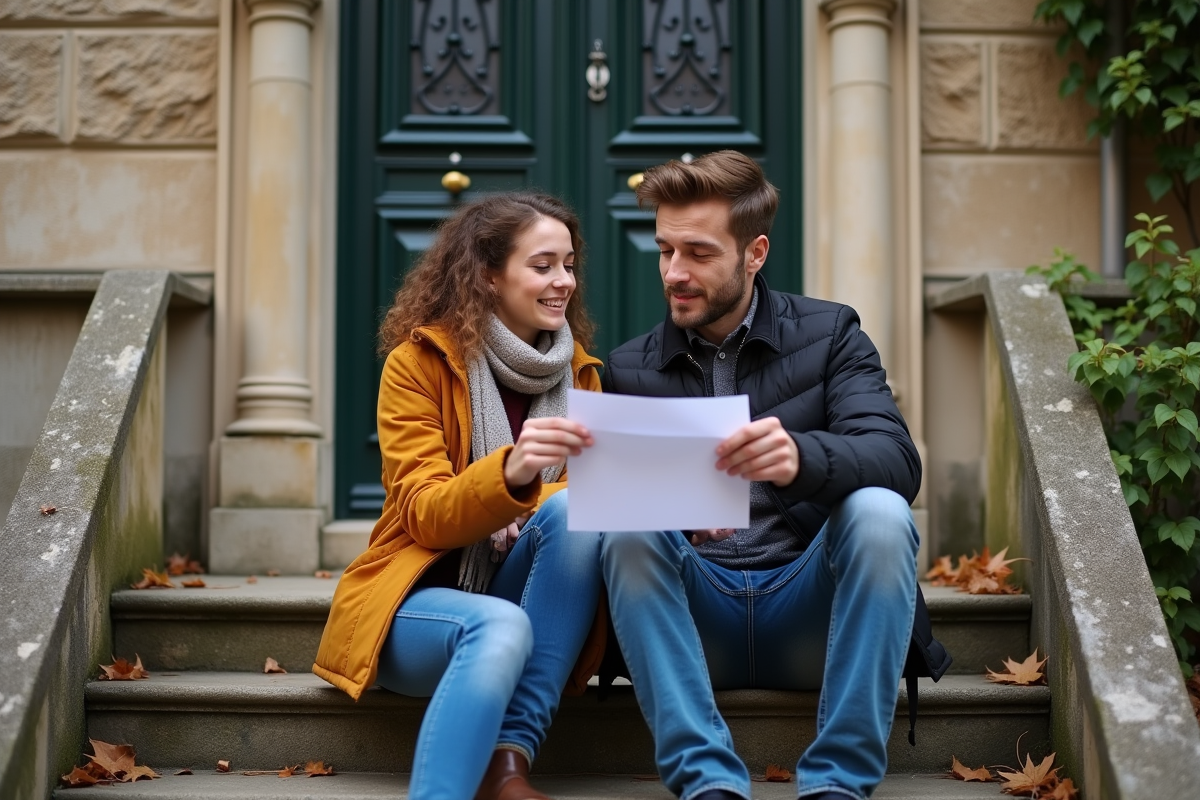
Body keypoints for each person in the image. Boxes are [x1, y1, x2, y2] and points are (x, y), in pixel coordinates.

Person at [599, 151, 924, 800]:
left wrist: (802, 458)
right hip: (698, 618)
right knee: (627, 528)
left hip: (810, 612)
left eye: (698, 253)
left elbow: (897, 461)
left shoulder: (831, 334)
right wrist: (675, 517)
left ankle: (837, 783)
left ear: (755, 253)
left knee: (883, 514)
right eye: (664, 250)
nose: (674, 272)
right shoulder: (629, 367)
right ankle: (707, 781)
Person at [314, 192, 604, 800]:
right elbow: (423, 513)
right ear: (489, 276)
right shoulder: (417, 365)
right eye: (543, 265)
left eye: (569, 265)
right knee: (499, 627)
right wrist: (511, 476)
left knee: (576, 510)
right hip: (418, 601)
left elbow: (591, 498)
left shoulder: (580, 373)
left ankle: (508, 763)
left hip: (528, 586)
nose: (563, 282)